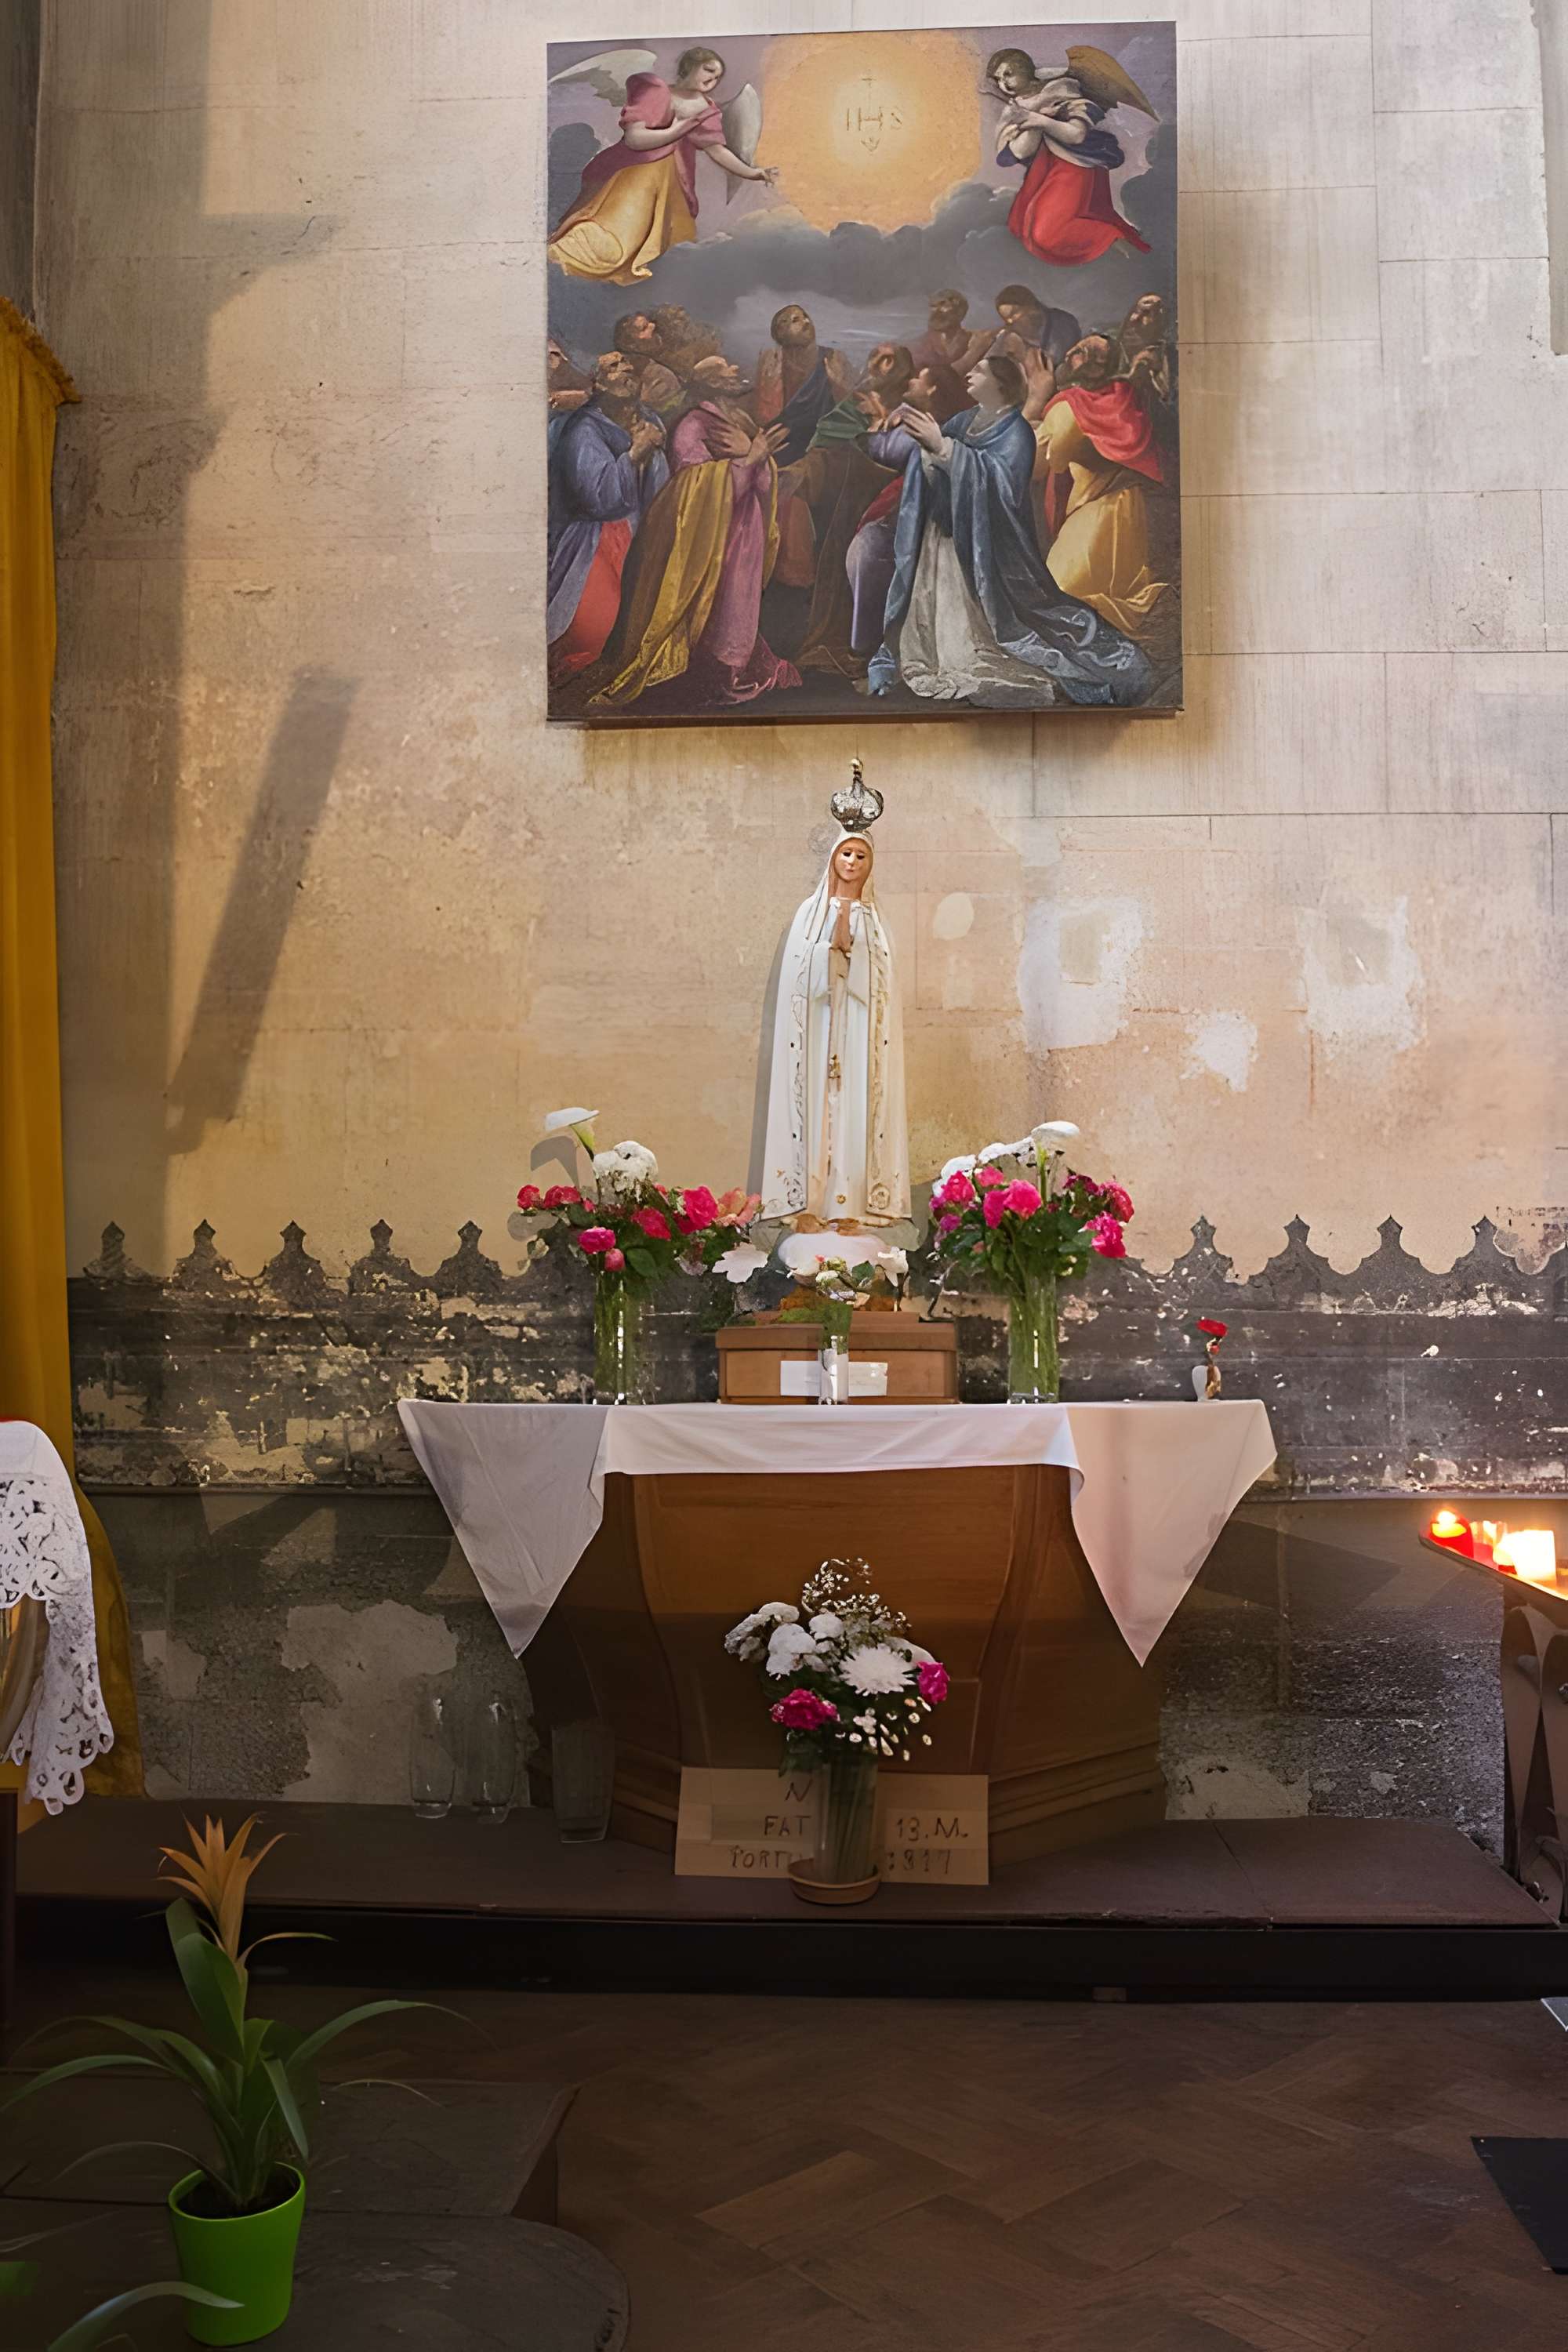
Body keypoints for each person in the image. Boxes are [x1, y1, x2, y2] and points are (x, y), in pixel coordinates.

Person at [865, 351, 1151, 707]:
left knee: (995, 632)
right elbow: (927, 462)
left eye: (980, 370)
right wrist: (920, 442)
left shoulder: (1016, 432)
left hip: (989, 551)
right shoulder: (962, 420)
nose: (970, 372)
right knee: (938, 617)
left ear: (1001, 384)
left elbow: (1001, 488)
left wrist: (943, 449)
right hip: (943, 538)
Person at [584, 353, 800, 710]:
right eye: (727, 368)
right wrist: (750, 459)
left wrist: (756, 458)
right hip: (711, 540)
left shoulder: (739, 420)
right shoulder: (692, 426)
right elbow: (693, 487)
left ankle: (734, 669)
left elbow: (760, 472)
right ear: (713, 383)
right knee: (717, 605)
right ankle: (713, 676)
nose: (736, 369)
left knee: (740, 603)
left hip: (746, 532)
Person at [761, 829, 909, 1232]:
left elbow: (881, 982)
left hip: (858, 1029)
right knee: (813, 1103)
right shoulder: (809, 914)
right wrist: (829, 950)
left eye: (862, 856)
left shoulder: (876, 921)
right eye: (847, 853)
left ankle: (850, 1202)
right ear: (833, 858)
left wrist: (853, 951)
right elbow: (799, 976)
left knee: (854, 1105)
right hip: (817, 1024)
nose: (853, 862)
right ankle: (807, 1200)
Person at [548, 47, 775, 285]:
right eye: (709, 70)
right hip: (634, 174)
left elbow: (717, 151)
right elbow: (636, 140)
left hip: (668, 185)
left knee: (644, 239)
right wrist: (676, 130)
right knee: (612, 235)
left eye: (718, 76)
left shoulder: (707, 111)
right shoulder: (654, 91)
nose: (713, 79)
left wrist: (754, 173)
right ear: (689, 67)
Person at [1034, 335, 1171, 640]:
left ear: (1100, 367)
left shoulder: (1070, 407)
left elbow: (1045, 462)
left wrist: (1032, 404)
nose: (1071, 353)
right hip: (1128, 511)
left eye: (1084, 352)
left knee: (1063, 595)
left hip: (1094, 515)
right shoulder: (1123, 400)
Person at [546, 352, 669, 686]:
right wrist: (635, 454)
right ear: (598, 383)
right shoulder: (583, 431)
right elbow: (599, 499)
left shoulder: (648, 419)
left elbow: (660, 488)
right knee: (594, 630)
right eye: (613, 367)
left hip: (640, 530)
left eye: (628, 365)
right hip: (594, 539)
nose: (626, 369)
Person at [987, 45, 1152, 267]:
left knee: (1046, 235)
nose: (1003, 84)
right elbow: (1010, 155)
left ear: (1026, 69)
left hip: (1076, 167)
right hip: (1045, 169)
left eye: (1008, 74)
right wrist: (1028, 125)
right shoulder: (1015, 108)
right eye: (998, 79)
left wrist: (1039, 120)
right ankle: (1115, 251)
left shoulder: (1063, 92)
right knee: (1019, 226)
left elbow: (1076, 135)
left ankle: (1115, 237)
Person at [753, 303, 857, 466]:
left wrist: (836, 383)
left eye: (805, 317)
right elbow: (764, 418)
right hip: (782, 443)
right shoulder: (771, 360)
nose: (807, 322)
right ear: (779, 332)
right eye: (795, 320)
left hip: (823, 443)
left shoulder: (833, 357)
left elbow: (851, 409)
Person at [611, 311, 684, 416]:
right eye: (644, 328)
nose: (653, 326)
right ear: (631, 345)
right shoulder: (623, 373)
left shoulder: (658, 364)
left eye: (649, 322)